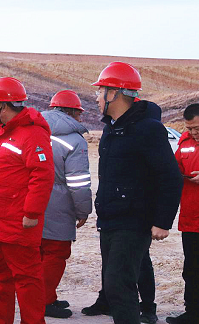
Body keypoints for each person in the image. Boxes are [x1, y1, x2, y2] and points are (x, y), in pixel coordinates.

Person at [83, 62, 182, 324]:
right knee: (114, 284)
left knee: (119, 286)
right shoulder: (111, 129)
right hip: (110, 219)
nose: (96, 97)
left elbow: (170, 176)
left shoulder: (147, 129)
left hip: (134, 221)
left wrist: (162, 221)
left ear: (114, 93)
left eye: (100, 90)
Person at [0, 77, 55, 324]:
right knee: (0, 275)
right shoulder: (7, 133)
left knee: (27, 278)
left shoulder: (32, 134)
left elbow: (43, 175)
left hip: (17, 222)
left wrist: (32, 213)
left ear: (2, 106)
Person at [40, 90, 92, 319]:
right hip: (59, 205)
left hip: (31, 201)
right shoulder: (74, 140)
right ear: (73, 113)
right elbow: (78, 182)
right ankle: (42, 301)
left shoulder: (35, 130)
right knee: (56, 253)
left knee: (38, 252)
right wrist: (83, 211)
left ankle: (46, 296)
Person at [167, 103, 199, 324]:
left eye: (197, 128)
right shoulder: (184, 142)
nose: (194, 132)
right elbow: (174, 168)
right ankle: (193, 313)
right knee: (192, 270)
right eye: (190, 128)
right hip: (191, 219)